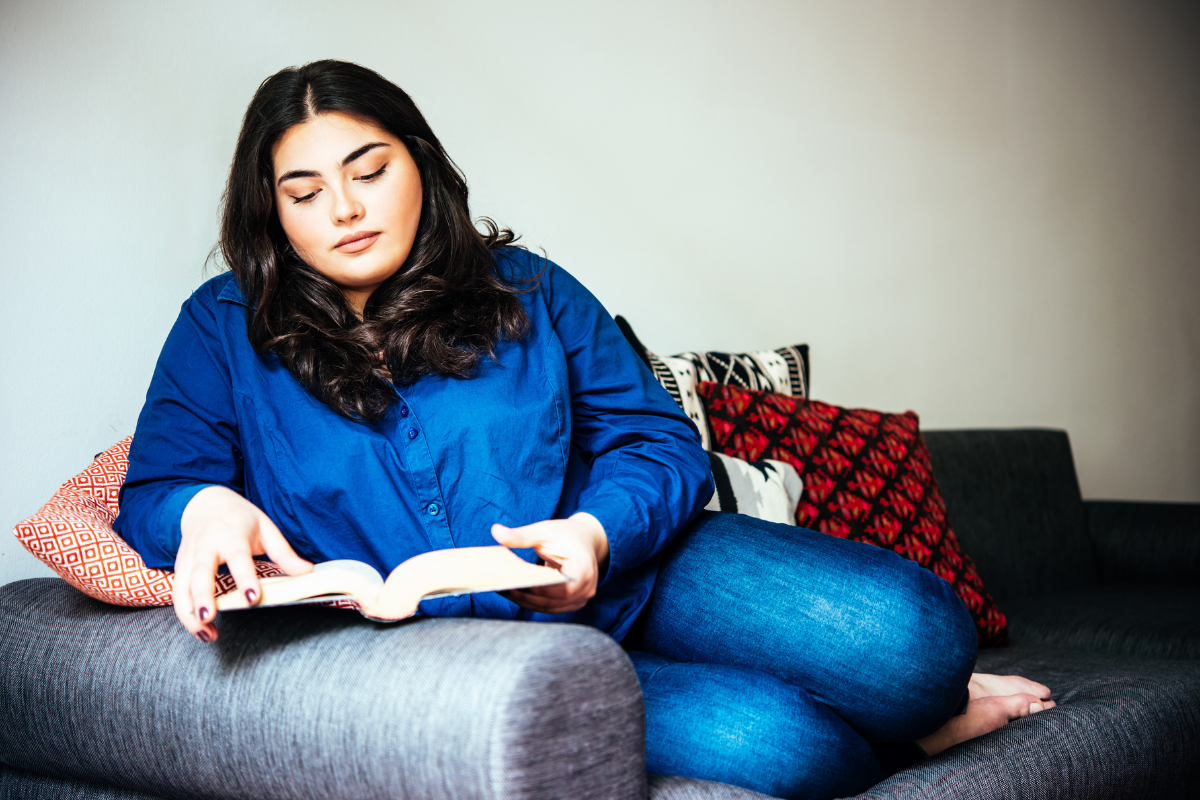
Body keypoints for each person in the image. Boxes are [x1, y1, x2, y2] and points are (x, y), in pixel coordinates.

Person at [114, 60, 1054, 799]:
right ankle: (919, 737)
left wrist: (595, 533)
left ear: (420, 162)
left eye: (370, 171)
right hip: (490, 648)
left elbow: (657, 444)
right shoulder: (220, 328)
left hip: (644, 571)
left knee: (919, 636)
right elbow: (153, 492)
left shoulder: (528, 287)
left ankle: (921, 700)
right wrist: (200, 507)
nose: (346, 209)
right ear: (272, 209)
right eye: (305, 190)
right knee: (780, 749)